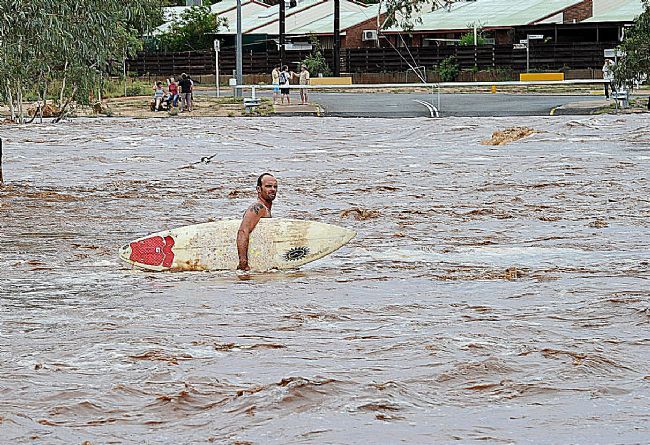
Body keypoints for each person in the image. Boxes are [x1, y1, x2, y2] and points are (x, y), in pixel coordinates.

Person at [237, 173, 278, 271]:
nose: (273, 189)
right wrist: (243, 262)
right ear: (259, 189)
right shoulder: (258, 208)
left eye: (275, 186)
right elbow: (243, 231)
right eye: (268, 186)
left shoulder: (265, 209)